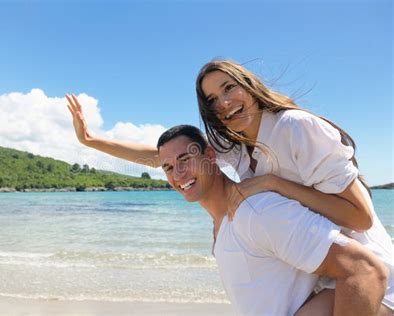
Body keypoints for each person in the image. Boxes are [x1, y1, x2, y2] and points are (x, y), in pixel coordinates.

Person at [65, 59, 393, 310]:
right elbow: (164, 156)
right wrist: (92, 141)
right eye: (211, 99)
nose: (223, 102)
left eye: (228, 88)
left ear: (249, 86)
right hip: (329, 273)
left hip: (372, 274)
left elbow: (360, 217)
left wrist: (275, 183)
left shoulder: (294, 127)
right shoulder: (234, 146)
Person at [156, 124, 389, 315]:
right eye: (168, 167)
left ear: (210, 156)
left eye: (185, 159)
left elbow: (365, 269)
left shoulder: (257, 211)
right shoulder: (223, 225)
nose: (178, 174)